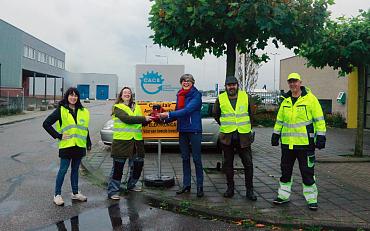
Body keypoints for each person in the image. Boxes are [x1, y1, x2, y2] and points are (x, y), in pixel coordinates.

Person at [271, 72, 326, 211]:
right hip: (287, 145)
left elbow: (319, 119)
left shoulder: (310, 99)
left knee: (307, 172)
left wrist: (321, 136)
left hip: (305, 145)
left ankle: (312, 199)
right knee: (285, 172)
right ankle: (283, 196)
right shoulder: (285, 101)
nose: (292, 84)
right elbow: (280, 120)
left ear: (300, 82)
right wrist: (275, 135)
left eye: (295, 81)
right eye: (290, 82)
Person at [43, 87, 91, 206]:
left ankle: (75, 193)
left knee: (75, 170)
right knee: (63, 170)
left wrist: (88, 143)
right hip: (66, 146)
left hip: (79, 145)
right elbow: (46, 124)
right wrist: (58, 135)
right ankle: (57, 195)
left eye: (75, 95)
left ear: (78, 97)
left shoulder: (83, 111)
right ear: (67, 96)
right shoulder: (61, 110)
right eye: (71, 95)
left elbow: (85, 128)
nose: (73, 97)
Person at [159, 74, 204, 198]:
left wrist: (167, 114)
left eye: (188, 81)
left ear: (193, 82)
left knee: (196, 159)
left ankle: (200, 187)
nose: (186, 83)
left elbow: (187, 111)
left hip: (194, 130)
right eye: (184, 81)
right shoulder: (180, 95)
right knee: (184, 158)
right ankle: (186, 185)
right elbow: (176, 114)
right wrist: (161, 119)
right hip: (183, 130)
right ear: (181, 83)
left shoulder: (196, 95)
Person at [213, 76, 257, 201]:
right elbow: (216, 114)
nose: (231, 87)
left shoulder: (245, 96)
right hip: (227, 137)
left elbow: (252, 113)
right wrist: (226, 125)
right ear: (225, 86)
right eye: (229, 85)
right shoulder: (220, 98)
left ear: (237, 85)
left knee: (248, 164)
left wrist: (248, 127)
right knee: (228, 165)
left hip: (243, 136)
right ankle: (230, 189)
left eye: (234, 84)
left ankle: (250, 191)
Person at [107, 87, 152, 200]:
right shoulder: (117, 107)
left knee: (138, 165)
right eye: (125, 92)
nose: (127, 94)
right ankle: (113, 191)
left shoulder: (137, 107)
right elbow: (127, 119)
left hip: (137, 142)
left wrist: (149, 119)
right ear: (121, 95)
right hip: (122, 142)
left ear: (131, 95)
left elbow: (140, 123)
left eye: (129, 92)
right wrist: (143, 118)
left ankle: (131, 185)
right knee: (118, 168)